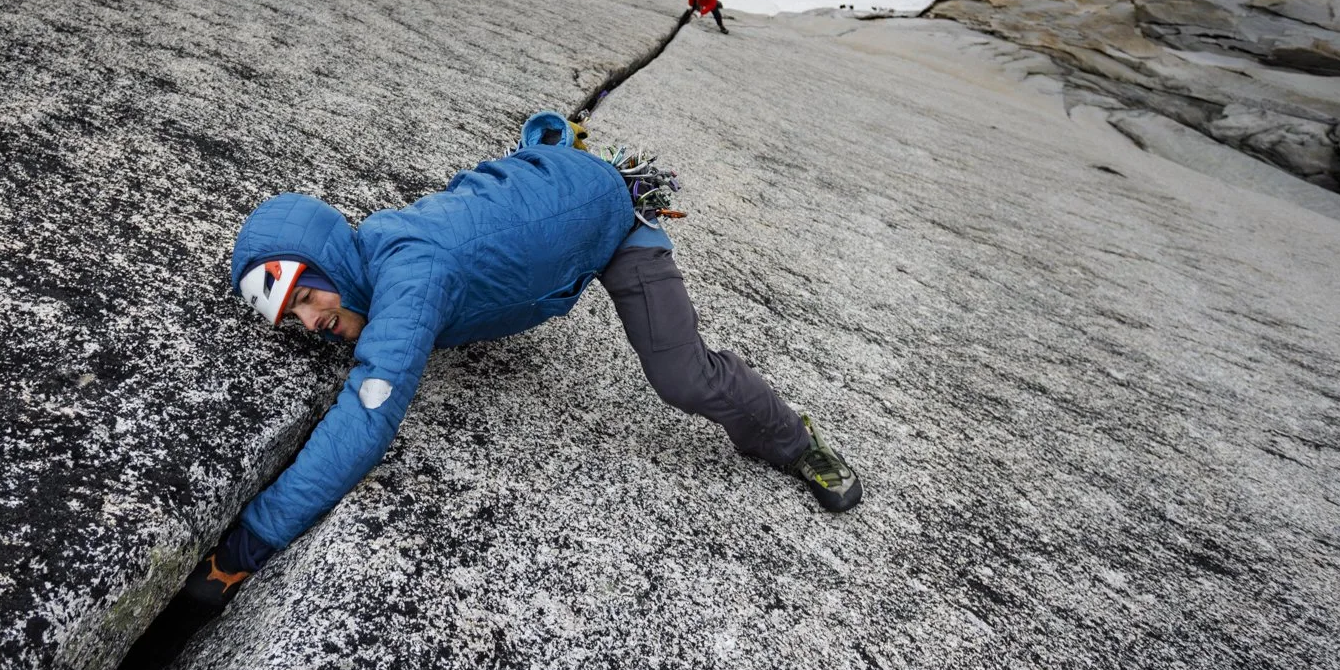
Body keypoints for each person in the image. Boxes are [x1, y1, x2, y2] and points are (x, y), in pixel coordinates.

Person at [181, 112, 859, 612]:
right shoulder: (375, 244)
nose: (309, 320)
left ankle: (795, 440)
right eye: (291, 318)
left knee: (681, 373)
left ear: (330, 257)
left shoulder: (410, 273)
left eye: (306, 295)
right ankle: (556, 154)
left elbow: (365, 420)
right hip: (546, 192)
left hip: (612, 220)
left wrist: (246, 545)